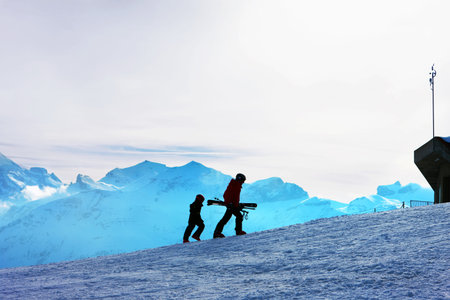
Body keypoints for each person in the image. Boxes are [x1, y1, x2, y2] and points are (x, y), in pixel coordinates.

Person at [213, 173, 247, 238]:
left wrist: (234, 204)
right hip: (231, 205)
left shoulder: (235, 184)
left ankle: (217, 232)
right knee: (237, 216)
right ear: (240, 179)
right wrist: (232, 204)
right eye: (243, 181)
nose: (243, 182)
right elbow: (229, 195)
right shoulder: (235, 185)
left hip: (231, 205)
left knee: (227, 218)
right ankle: (238, 231)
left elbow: (231, 196)